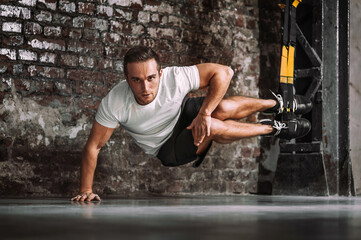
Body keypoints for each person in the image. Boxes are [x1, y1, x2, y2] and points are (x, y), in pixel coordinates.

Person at [71, 46, 311, 202]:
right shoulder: (114, 101)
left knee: (222, 109)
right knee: (213, 127)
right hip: (167, 146)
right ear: (126, 79)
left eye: (151, 78)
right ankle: (275, 129)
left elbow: (224, 73)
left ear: (161, 74)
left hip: (183, 114)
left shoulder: (175, 77)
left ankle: (277, 105)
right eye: (136, 80)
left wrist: (205, 112)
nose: (145, 88)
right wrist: (85, 190)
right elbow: (94, 146)